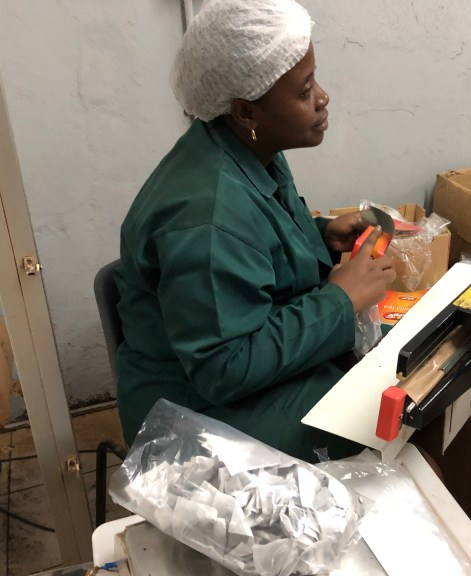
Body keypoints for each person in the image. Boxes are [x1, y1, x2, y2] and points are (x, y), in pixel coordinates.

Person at [114, 0, 396, 462]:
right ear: (246, 112)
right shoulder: (204, 215)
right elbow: (222, 367)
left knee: (383, 383)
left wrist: (322, 234)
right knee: (379, 413)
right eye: (304, 91)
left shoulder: (246, 149)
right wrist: (340, 301)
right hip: (189, 418)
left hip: (232, 375)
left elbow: (255, 243)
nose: (323, 97)